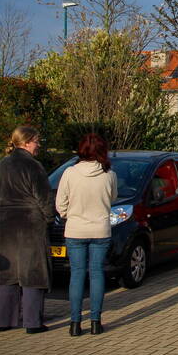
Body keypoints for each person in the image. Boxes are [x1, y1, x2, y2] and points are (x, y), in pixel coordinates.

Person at [0, 125, 55, 334]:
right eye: (36, 141)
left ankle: (4, 320)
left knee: (7, 273)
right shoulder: (34, 167)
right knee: (32, 271)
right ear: (26, 142)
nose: (38, 145)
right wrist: (49, 218)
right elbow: (43, 197)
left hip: (6, 223)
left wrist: (0, 215)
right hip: (30, 223)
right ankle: (32, 321)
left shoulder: (1, 165)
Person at [56, 133, 117, 336]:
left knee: (77, 274)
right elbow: (113, 197)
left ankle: (74, 323)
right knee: (97, 273)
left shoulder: (70, 173)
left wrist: (69, 215)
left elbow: (60, 204)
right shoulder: (109, 174)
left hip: (75, 229)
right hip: (100, 229)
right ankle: (95, 322)